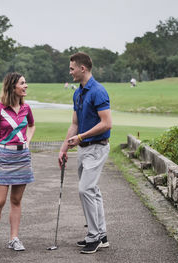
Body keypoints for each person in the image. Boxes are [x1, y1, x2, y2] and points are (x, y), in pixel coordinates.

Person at [59, 52, 112, 254]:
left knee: (85, 189)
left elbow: (106, 123)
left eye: (72, 68)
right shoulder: (78, 92)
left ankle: (94, 236)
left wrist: (81, 137)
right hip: (83, 149)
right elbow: (75, 123)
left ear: (83, 68)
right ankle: (102, 235)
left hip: (97, 147)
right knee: (92, 191)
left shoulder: (98, 91)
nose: (70, 71)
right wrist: (63, 148)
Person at [0, 72, 36, 252]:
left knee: (16, 200)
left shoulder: (26, 108)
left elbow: (32, 125)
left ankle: (14, 239)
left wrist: (26, 142)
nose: (26, 86)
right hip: (4, 157)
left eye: (25, 83)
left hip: (22, 158)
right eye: (22, 83)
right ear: (13, 87)